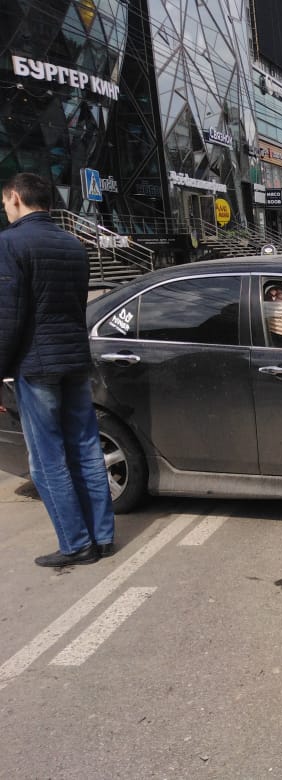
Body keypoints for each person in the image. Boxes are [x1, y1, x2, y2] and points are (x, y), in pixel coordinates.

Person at [0, 173, 116, 567]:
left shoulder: (9, 243)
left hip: (37, 365)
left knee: (47, 459)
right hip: (74, 361)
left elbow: (8, 318)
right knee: (86, 449)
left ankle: (76, 544)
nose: (5, 209)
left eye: (5, 202)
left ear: (15, 198)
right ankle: (102, 537)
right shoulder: (73, 244)